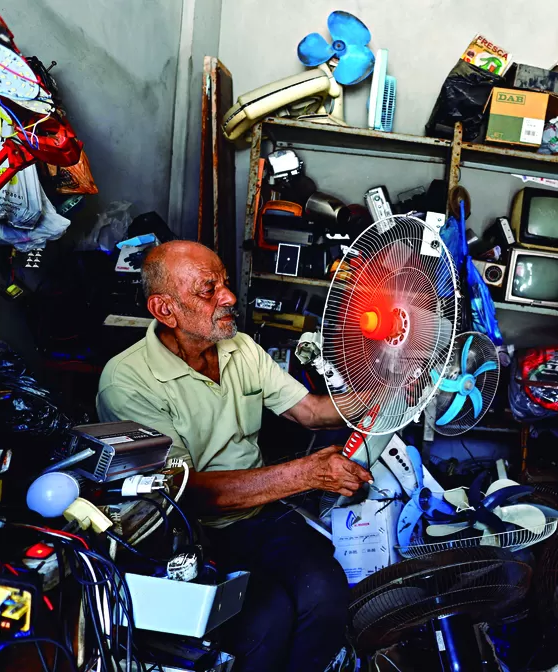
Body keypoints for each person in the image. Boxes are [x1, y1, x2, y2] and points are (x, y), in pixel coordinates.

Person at [96, 241, 372, 672]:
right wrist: (307, 474)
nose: (229, 297)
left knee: (326, 593)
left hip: (260, 516)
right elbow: (185, 494)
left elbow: (310, 412)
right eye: (208, 290)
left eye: (224, 283)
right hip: (190, 536)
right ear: (165, 309)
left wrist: (383, 389)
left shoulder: (240, 348)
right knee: (266, 619)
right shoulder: (127, 382)